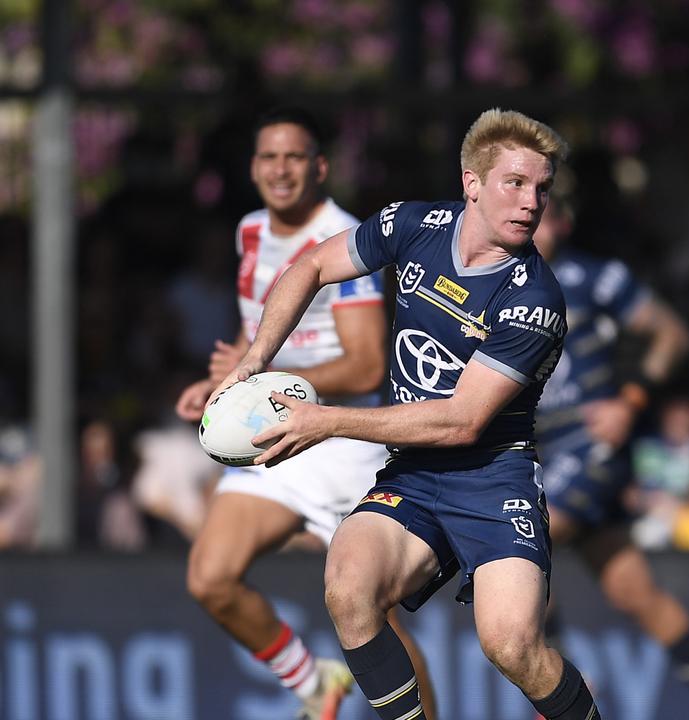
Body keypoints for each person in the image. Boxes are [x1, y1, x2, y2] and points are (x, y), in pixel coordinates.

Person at [207, 109, 602, 720]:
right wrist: (256, 358)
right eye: (515, 183)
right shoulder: (414, 225)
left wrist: (325, 421)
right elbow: (310, 265)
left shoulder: (535, 297)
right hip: (413, 477)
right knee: (349, 584)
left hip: (493, 482)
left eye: (542, 188)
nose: (532, 202)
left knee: (512, 644)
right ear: (472, 182)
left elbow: (461, 422)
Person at [175, 107, 436, 720]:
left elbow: (368, 365)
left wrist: (267, 389)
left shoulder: (343, 237)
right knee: (210, 577)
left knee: (373, 614)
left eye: (295, 157)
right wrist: (224, 385)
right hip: (272, 433)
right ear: (253, 168)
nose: (281, 170)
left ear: (319, 167)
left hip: (342, 440)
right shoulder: (247, 232)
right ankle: (314, 683)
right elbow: (263, 339)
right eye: (269, 157)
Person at [532, 193, 689, 719]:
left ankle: (556, 686)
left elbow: (673, 334)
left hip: (592, 444)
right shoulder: (494, 283)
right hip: (542, 450)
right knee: (632, 588)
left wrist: (629, 402)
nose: (529, 224)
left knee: (521, 542)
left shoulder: (594, 278)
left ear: (564, 222)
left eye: (543, 216)